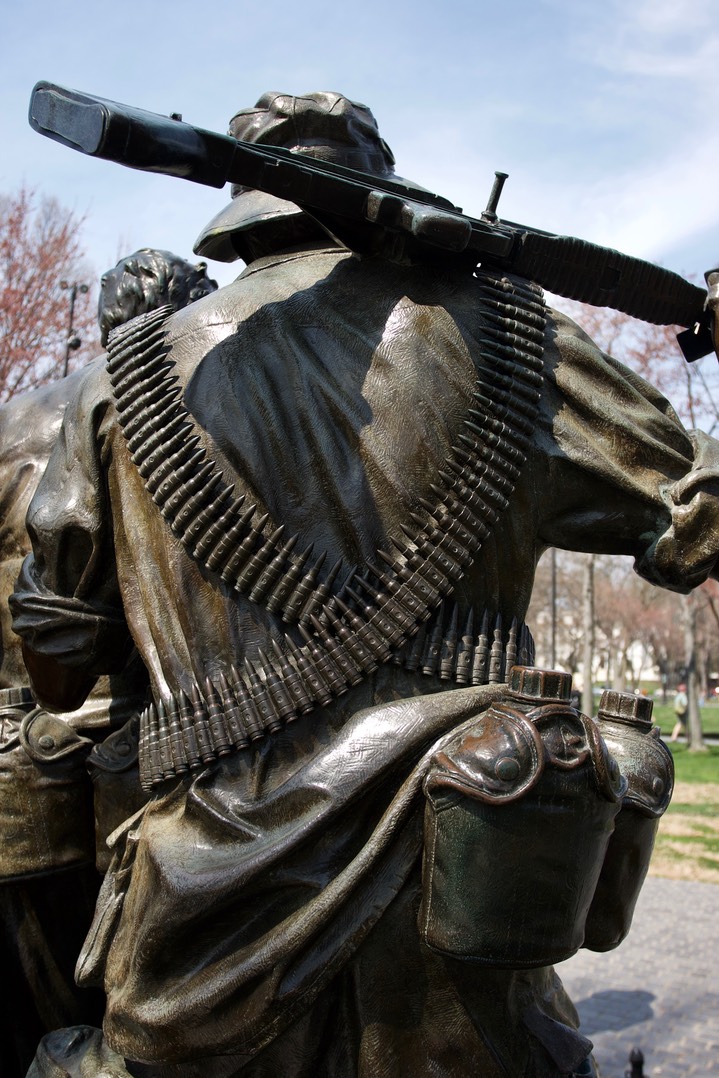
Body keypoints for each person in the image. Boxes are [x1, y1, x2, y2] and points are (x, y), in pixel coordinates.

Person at [10, 91, 719, 1077]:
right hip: (464, 886)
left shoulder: (121, 383)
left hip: (203, 918)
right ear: (377, 181)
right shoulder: (517, 339)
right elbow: (696, 519)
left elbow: (55, 667)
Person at [0, 249, 216, 1078]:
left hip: (18, 768)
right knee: (129, 1025)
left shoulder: (16, 419)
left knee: (32, 1011)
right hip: (138, 778)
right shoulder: (164, 428)